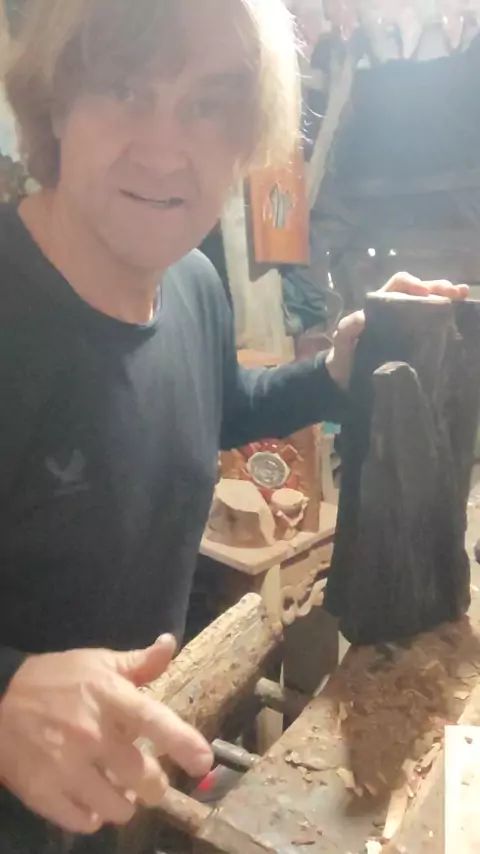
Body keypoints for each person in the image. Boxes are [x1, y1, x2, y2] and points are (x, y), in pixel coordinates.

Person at [0, 1, 468, 852]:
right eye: (124, 89)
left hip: (122, 783)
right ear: (56, 102)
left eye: (207, 104)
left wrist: (334, 373)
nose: (164, 148)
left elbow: (218, 407)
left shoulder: (191, 283)